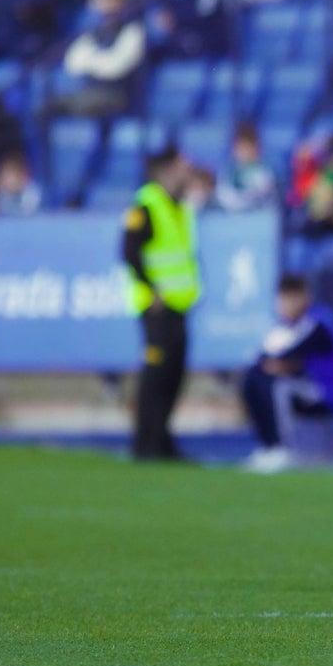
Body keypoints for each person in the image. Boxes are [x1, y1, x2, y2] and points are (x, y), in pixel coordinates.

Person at [122, 146, 201, 461]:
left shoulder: (180, 206)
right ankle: (145, 443)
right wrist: (151, 289)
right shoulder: (147, 205)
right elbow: (129, 251)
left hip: (179, 305)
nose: (188, 172)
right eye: (183, 166)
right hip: (156, 307)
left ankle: (163, 440)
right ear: (168, 169)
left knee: (173, 375)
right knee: (155, 375)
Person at [241, 275, 333, 473]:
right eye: (283, 299)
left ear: (304, 297)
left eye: (292, 298)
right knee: (252, 380)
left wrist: (277, 364)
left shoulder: (318, 320)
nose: (286, 305)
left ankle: (281, 449)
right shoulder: (285, 326)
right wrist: (274, 364)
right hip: (307, 388)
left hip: (330, 392)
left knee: (278, 387)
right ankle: (267, 447)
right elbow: (264, 359)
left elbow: (289, 353)